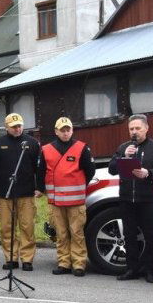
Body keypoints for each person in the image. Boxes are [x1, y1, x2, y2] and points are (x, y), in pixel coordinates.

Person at [108, 114, 153, 283]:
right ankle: (131, 269)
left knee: (150, 235)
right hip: (127, 198)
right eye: (131, 129)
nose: (134, 132)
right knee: (129, 235)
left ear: (146, 128)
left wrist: (148, 173)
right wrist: (124, 157)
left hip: (147, 199)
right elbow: (112, 169)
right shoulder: (123, 148)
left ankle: (150, 270)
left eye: (138, 128)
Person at [0, 113, 44, 271]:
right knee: (6, 227)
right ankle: (11, 258)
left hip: (26, 192)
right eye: (14, 127)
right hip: (4, 193)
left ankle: (27, 259)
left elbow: (39, 168)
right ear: (6, 127)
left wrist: (39, 187)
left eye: (19, 126)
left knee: (27, 226)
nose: (17, 129)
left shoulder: (32, 143)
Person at [40, 117, 96, 277]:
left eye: (68, 130)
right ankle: (64, 263)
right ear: (56, 131)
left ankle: (79, 264)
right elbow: (41, 172)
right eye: (62, 130)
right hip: (56, 201)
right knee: (61, 234)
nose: (65, 133)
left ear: (72, 130)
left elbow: (90, 170)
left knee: (77, 233)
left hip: (76, 201)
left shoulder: (82, 148)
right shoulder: (46, 149)